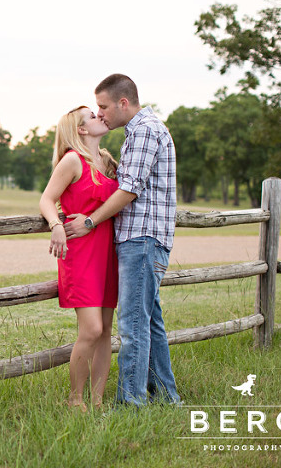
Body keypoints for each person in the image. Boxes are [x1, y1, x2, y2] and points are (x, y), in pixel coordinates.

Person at [65, 74, 181, 406]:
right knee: (150, 323)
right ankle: (167, 397)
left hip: (141, 240)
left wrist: (89, 220)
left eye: (103, 106)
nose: (100, 113)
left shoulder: (144, 130)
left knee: (132, 326)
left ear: (123, 103)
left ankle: (132, 402)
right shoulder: (140, 130)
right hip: (144, 240)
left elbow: (129, 190)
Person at [39, 105, 119, 412]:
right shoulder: (73, 160)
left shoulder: (107, 161)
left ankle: (97, 401)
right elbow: (47, 198)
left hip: (108, 253)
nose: (100, 116)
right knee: (91, 330)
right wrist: (56, 225)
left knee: (107, 330)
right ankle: (75, 399)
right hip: (81, 254)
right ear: (81, 129)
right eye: (92, 116)